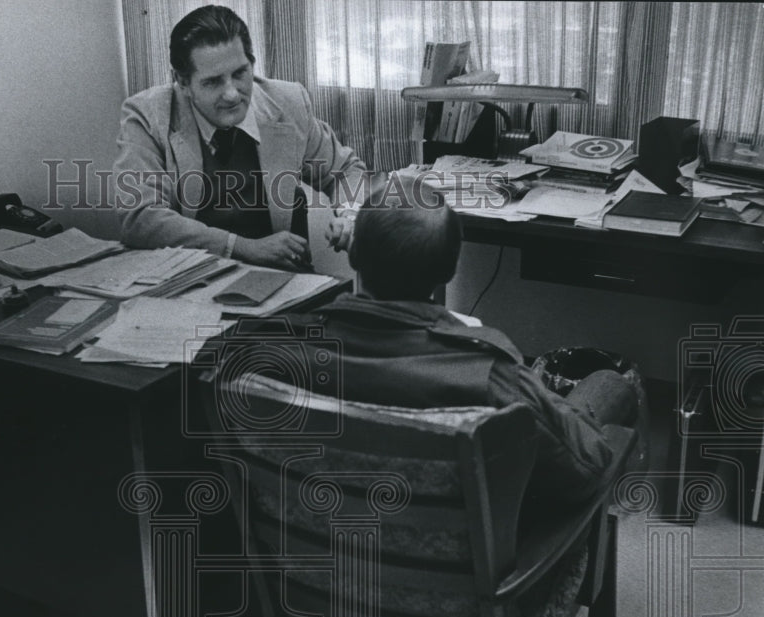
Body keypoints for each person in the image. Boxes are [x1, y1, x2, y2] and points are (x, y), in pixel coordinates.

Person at [255, 173, 639, 502]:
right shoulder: (490, 374)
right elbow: (586, 470)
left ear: (354, 258)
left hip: (319, 565)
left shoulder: (279, 348)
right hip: (477, 578)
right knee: (608, 383)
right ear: (449, 272)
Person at [112, 5, 369, 272]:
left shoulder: (288, 102)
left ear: (252, 64)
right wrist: (243, 248)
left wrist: (350, 215)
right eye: (213, 82)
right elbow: (140, 217)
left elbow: (345, 171)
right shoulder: (147, 115)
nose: (233, 94)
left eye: (240, 73)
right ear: (183, 82)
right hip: (188, 283)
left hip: (283, 280)